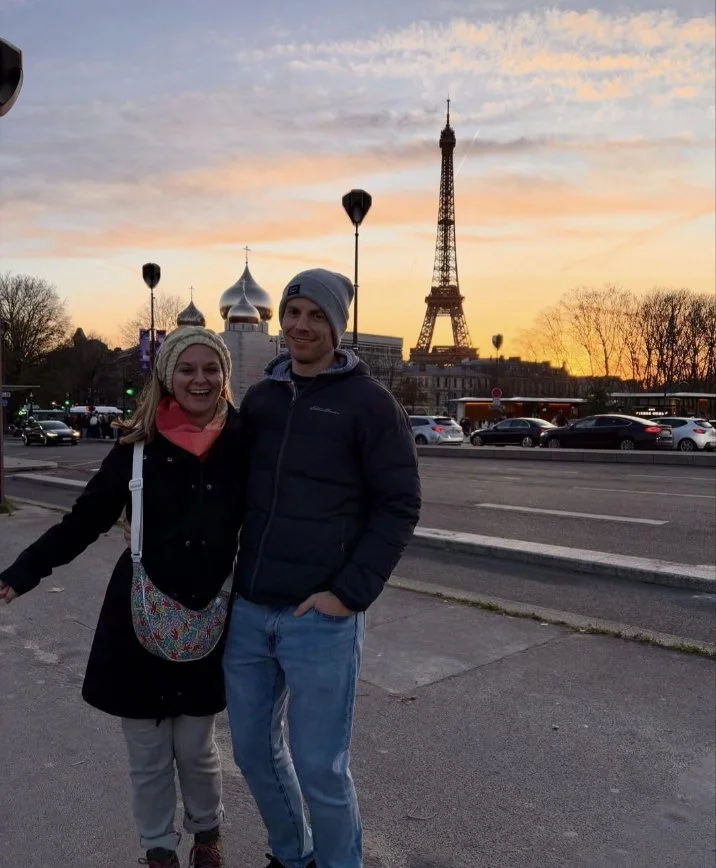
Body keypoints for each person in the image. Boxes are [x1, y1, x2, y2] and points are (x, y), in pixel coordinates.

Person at [0, 326, 242, 868]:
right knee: (148, 752)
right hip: (138, 616)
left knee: (197, 750)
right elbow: (84, 522)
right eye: (187, 369)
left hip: (210, 614)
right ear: (167, 377)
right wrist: (21, 572)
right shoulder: (137, 447)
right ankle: (158, 848)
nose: (199, 379)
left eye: (210, 369)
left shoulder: (245, 445)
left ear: (225, 377)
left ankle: (207, 833)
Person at [223, 268, 422, 868]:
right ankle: (291, 855)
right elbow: (224, 485)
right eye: (293, 313)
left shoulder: (369, 404)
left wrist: (348, 594)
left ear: (336, 326)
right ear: (278, 321)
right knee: (254, 753)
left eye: (316, 316)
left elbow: (400, 503)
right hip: (252, 610)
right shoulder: (260, 399)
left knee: (321, 768)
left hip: (321, 617)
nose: (302, 325)